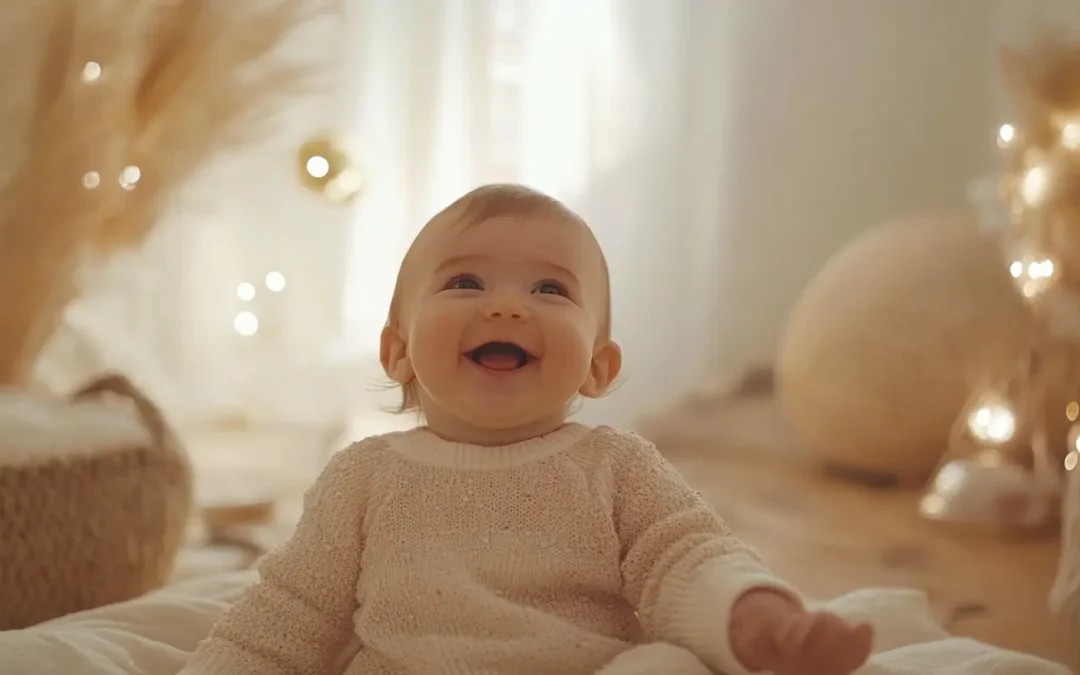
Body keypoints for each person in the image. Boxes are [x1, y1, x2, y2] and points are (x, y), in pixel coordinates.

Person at [180, 184, 874, 675]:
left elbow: (686, 557)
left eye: (550, 290)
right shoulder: (364, 477)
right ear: (398, 352)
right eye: (465, 283)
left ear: (599, 367)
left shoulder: (616, 466)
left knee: (667, 663)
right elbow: (284, 617)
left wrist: (753, 615)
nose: (509, 307)